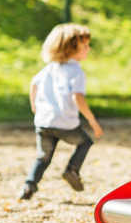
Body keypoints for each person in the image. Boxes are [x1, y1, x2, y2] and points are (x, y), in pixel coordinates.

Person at [19, 23, 103, 200]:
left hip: (44, 122)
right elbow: (77, 98)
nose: (89, 49)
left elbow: (33, 85)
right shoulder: (76, 72)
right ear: (71, 49)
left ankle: (29, 186)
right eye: (85, 46)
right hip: (65, 123)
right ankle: (72, 170)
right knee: (85, 142)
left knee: (43, 156)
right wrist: (92, 121)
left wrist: (35, 107)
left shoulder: (48, 68)